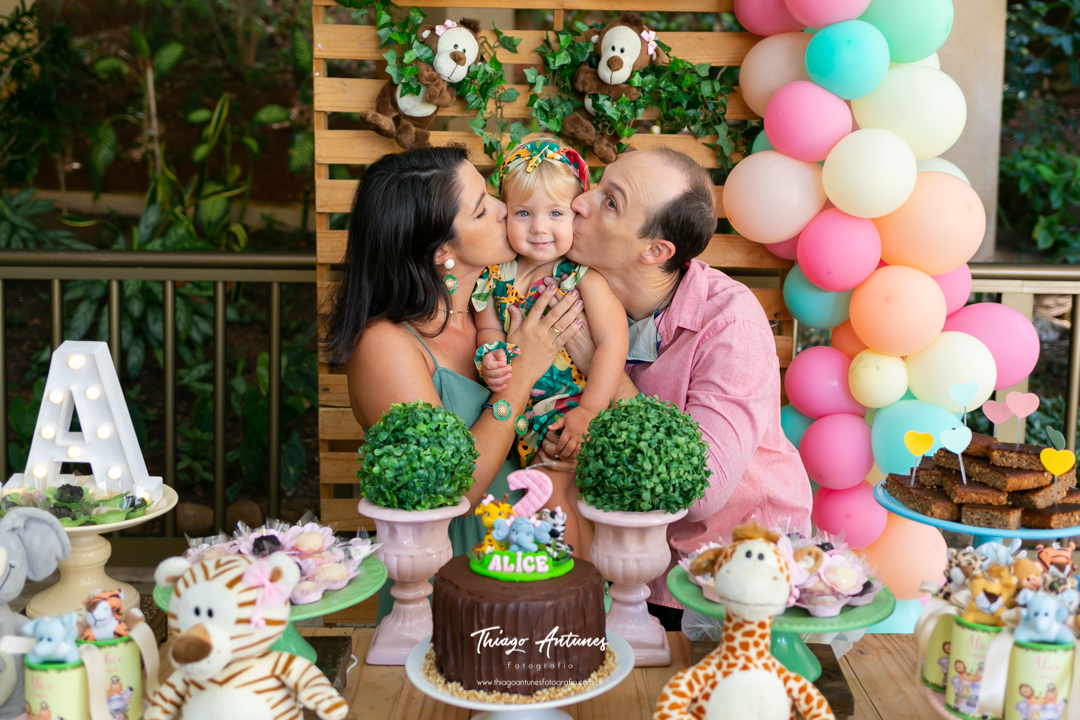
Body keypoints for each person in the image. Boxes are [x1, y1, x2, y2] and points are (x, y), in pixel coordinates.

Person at [539, 147, 813, 630]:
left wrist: (605, 372)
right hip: (616, 567)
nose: (580, 201)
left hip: (731, 581)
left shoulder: (731, 320)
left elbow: (701, 487)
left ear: (655, 251)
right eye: (598, 186)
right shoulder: (569, 295)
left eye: (610, 202)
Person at [321, 145, 584, 618]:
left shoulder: (501, 306)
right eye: (483, 208)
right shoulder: (385, 346)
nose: (505, 208)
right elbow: (454, 491)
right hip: (458, 572)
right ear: (442, 250)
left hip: (537, 547)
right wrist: (521, 376)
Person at [472, 138, 628, 554]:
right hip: (519, 417)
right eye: (524, 213)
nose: (539, 228)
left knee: (556, 497)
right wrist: (491, 356)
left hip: (571, 412)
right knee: (550, 500)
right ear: (505, 213)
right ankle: (573, 588)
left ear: (575, 213)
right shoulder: (491, 279)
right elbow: (486, 329)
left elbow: (614, 342)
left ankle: (576, 586)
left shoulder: (581, 279)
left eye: (555, 213)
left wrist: (590, 410)